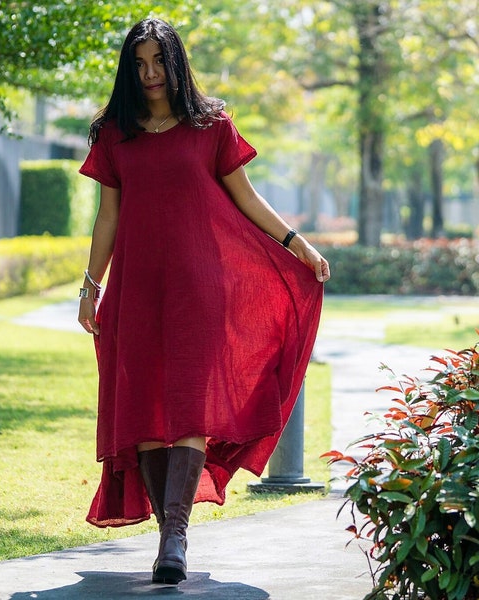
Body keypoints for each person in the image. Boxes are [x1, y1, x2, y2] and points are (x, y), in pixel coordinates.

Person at [77, 17, 330, 586]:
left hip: (199, 287)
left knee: (190, 403)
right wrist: (92, 287)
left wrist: (299, 244)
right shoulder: (115, 132)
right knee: (144, 405)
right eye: (138, 64)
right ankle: (169, 532)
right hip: (137, 288)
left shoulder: (210, 123)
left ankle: (174, 536)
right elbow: (108, 216)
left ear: (176, 61)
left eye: (158, 62)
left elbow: (245, 198)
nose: (149, 75)